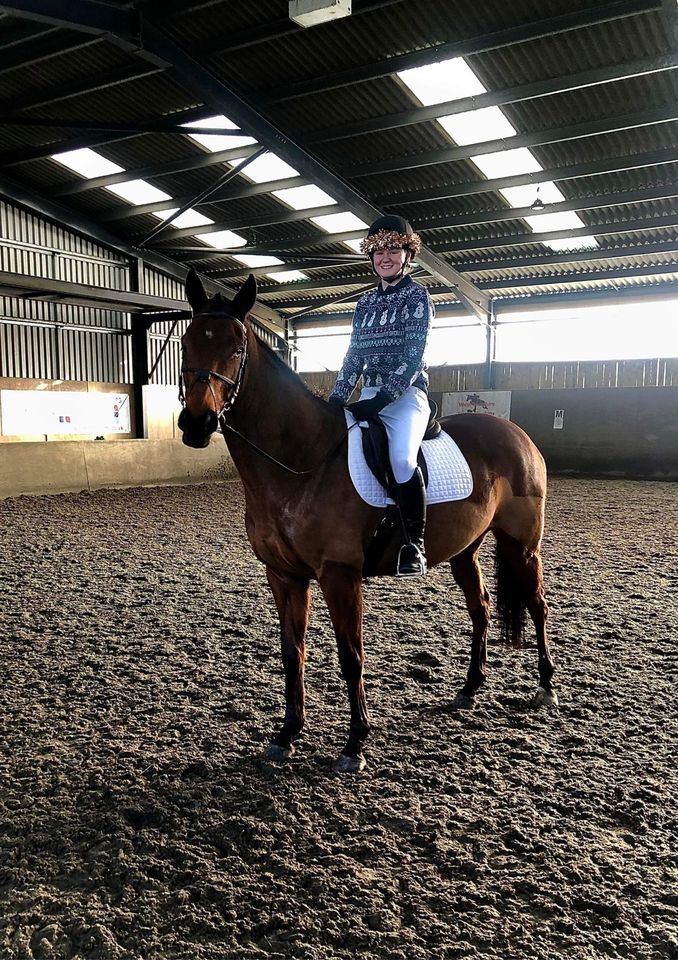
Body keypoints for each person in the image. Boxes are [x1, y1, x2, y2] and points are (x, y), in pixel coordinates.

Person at [328, 214, 434, 577]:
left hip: (406, 396)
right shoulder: (364, 305)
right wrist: (336, 400)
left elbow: (413, 354)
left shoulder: (418, 296)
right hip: (369, 394)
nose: (384, 257)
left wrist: (384, 396)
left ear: (407, 254)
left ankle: (414, 545)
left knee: (403, 461)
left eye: (393, 249)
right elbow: (354, 357)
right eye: (377, 251)